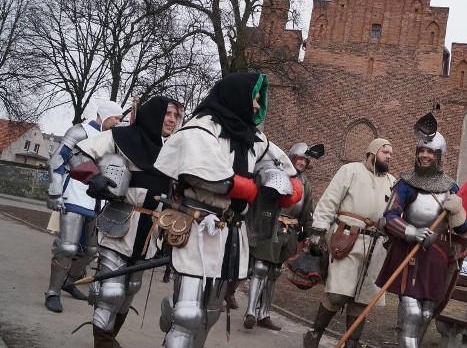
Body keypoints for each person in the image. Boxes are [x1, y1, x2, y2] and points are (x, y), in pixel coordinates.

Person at [153, 73, 303, 348]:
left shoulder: (254, 138)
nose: (257, 106)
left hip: (230, 232)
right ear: (237, 96)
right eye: (254, 99)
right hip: (197, 225)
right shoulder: (202, 127)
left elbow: (283, 168)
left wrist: (282, 184)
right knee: (188, 315)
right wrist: (245, 188)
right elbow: (200, 173)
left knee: (210, 314)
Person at [69, 96, 183, 348]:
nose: (172, 120)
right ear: (154, 114)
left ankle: (110, 336)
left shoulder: (173, 150)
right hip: (121, 222)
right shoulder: (121, 137)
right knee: (111, 292)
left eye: (176, 116)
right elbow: (78, 152)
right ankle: (104, 342)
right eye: (168, 113)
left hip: (151, 229)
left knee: (131, 287)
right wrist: (93, 177)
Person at [375, 117, 467, 348]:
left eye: (430, 152)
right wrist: (411, 231)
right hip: (409, 253)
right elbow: (389, 217)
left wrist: (458, 211)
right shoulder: (406, 183)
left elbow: (463, 230)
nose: (424, 156)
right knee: (412, 313)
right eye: (421, 151)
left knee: (426, 314)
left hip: (436, 256)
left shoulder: (451, 188)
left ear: (439, 156)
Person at [303, 138, 394, 348]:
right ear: (372, 152)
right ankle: (315, 333)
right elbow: (330, 199)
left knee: (362, 299)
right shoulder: (350, 170)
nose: (389, 157)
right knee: (337, 294)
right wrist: (318, 229)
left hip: (376, 244)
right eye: (385, 152)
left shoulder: (392, 181)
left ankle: (352, 342)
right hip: (346, 239)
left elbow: (396, 213)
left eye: (390, 153)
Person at [44, 100, 123, 313]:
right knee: (67, 247)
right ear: (106, 115)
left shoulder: (114, 138)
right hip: (75, 193)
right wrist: (55, 190)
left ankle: (69, 281)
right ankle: (53, 292)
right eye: (116, 117)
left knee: (90, 250)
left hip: (99, 200)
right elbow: (57, 160)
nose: (118, 122)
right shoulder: (80, 131)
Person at [243, 142, 324, 331]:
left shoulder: (305, 185)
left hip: (290, 231)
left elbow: (307, 212)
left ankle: (264, 313)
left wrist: (308, 234)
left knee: (275, 272)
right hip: (270, 224)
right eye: (300, 159)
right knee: (260, 267)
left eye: (306, 160)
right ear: (292, 158)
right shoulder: (277, 173)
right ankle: (250, 312)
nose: (303, 163)